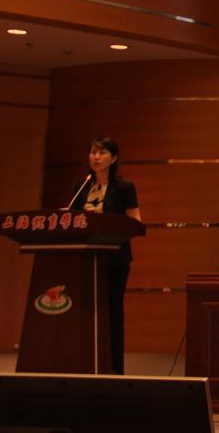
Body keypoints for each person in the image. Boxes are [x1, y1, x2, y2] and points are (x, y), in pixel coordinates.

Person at [70, 137, 141, 375]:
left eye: (102, 153)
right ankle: (84, 365)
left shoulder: (124, 187)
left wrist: (106, 223)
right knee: (84, 313)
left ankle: (114, 369)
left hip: (114, 259)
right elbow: (72, 218)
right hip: (85, 259)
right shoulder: (82, 185)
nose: (96, 157)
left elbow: (135, 222)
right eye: (93, 152)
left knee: (111, 312)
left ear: (114, 158)